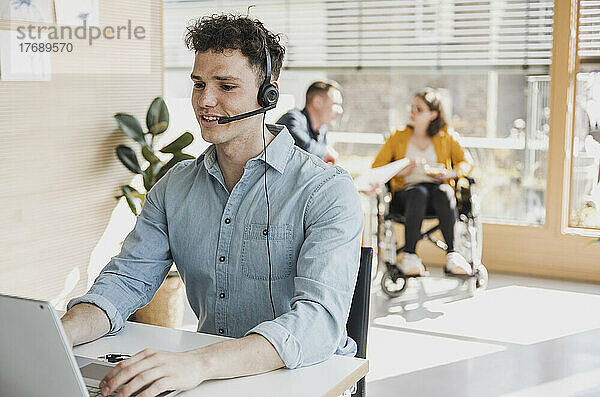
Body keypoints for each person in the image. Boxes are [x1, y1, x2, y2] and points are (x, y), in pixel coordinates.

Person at [61, 14, 363, 397]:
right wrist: (59, 335)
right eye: (199, 84)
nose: (205, 100)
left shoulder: (326, 190)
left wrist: (199, 363)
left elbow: (318, 322)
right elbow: (125, 281)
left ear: (267, 94)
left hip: (305, 378)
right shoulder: (175, 187)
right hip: (210, 378)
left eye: (227, 85)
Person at [371, 88, 473, 276]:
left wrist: (450, 174)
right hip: (406, 195)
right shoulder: (397, 137)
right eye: (412, 107)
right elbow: (378, 167)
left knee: (444, 191)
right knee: (419, 192)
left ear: (433, 114)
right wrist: (401, 170)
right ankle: (409, 256)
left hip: (437, 196)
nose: (412, 112)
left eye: (418, 109)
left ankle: (453, 254)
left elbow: (467, 162)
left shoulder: (446, 136)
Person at [276, 80, 343, 164]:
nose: (340, 111)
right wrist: (325, 152)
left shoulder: (322, 129)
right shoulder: (292, 119)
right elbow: (304, 149)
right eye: (336, 104)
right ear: (317, 102)